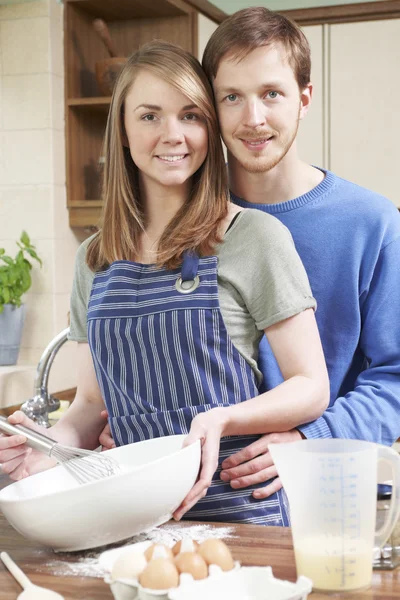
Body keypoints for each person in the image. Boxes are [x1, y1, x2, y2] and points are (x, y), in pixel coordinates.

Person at [0, 41, 329, 525]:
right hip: (131, 517)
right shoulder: (94, 259)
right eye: (150, 116)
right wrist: (42, 452)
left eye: (190, 115)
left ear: (209, 129)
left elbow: (311, 385)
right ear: (124, 131)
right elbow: (90, 407)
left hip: (241, 508)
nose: (172, 135)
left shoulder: (253, 237)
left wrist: (224, 417)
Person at [196, 6, 400, 501]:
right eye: (232, 97)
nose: (254, 119)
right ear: (211, 107)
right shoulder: (184, 223)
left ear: (304, 99)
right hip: (200, 491)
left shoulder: (373, 222)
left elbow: (395, 377)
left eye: (271, 93)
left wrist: (312, 440)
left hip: (328, 490)